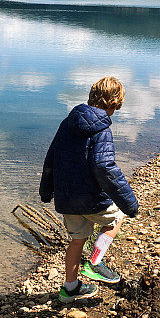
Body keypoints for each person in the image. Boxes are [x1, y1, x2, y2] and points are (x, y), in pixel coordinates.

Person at [39, 76, 140, 303]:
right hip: (91, 199)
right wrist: (130, 203)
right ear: (114, 104)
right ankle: (95, 261)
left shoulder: (67, 123)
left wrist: (46, 191)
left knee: (77, 241)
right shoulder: (101, 129)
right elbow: (104, 167)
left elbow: (51, 158)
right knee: (117, 218)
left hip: (67, 199)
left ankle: (70, 289)